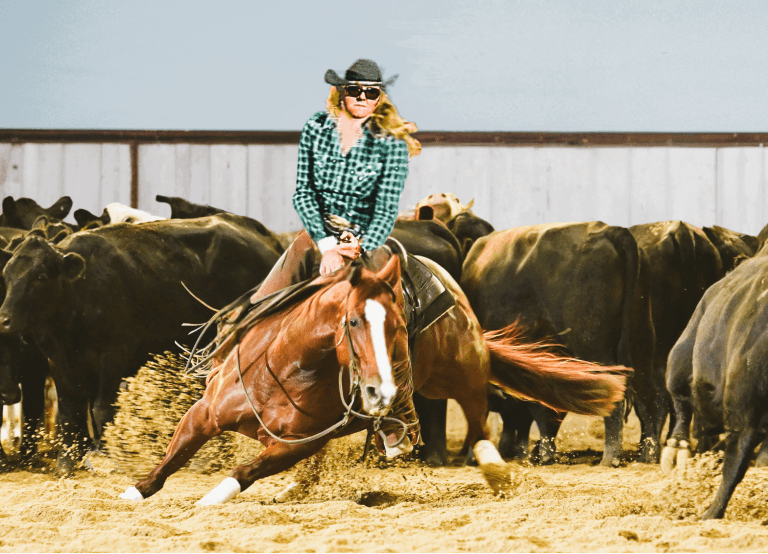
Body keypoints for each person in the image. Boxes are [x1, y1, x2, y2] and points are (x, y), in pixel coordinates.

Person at [250, 58, 421, 302]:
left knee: (379, 312)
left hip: (364, 238)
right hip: (318, 231)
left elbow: (385, 210)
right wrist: (327, 244)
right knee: (263, 302)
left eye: (371, 92)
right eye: (355, 90)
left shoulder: (392, 146)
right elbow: (304, 193)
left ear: (378, 99)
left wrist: (358, 245)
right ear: (342, 93)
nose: (363, 97)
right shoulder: (316, 127)